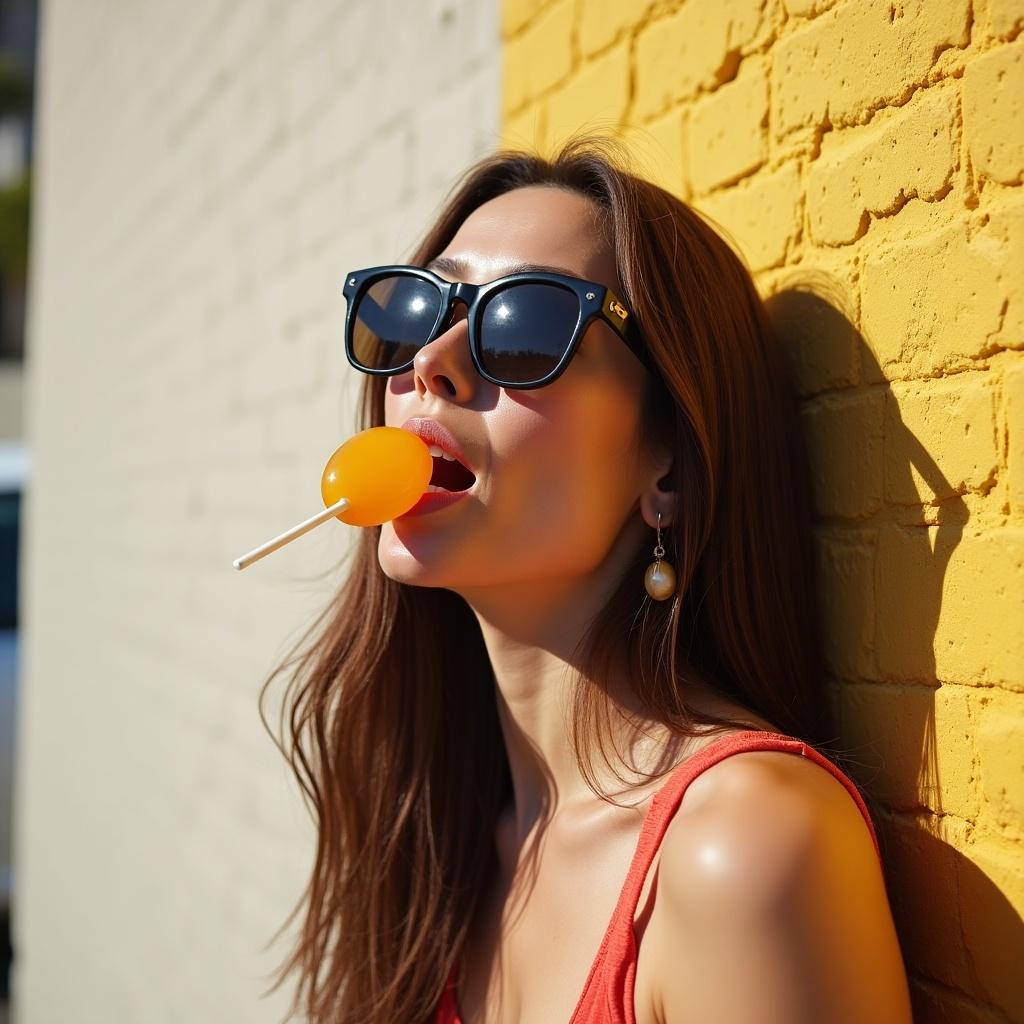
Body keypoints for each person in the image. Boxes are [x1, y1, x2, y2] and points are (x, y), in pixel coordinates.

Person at [258, 135, 913, 1024]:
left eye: (524, 326)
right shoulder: (439, 836)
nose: (430, 363)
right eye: (414, 311)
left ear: (670, 469)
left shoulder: (744, 845)